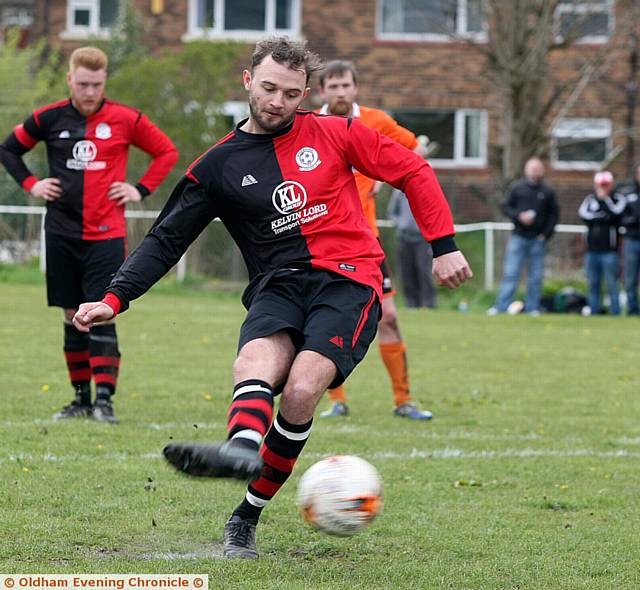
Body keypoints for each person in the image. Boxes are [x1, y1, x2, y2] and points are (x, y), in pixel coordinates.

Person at [72, 37, 472, 559]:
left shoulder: (335, 131)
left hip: (349, 279)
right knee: (253, 361)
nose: (277, 101)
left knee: (304, 390)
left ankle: (245, 516)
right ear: (247, 81)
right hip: (277, 283)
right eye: (267, 88)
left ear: (305, 92)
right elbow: (167, 239)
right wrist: (114, 298)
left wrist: (444, 246)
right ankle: (240, 451)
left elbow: (413, 170)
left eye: (289, 92)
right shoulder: (216, 166)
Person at [0, 47, 178, 423]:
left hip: (106, 236)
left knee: (102, 313)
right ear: (70, 80)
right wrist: (32, 184)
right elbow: (9, 150)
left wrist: (139, 189)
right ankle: (80, 399)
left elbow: (166, 151)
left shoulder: (126, 119)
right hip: (62, 233)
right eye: (83, 84)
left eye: (96, 84)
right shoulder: (47, 118)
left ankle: (104, 402)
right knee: (70, 315)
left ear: (104, 82)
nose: (90, 91)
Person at [317, 59, 434, 420]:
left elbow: (415, 150)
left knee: (389, 317)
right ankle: (336, 401)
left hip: (367, 238)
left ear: (355, 88)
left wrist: (385, 175)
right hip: (320, 240)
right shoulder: (311, 125)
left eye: (345, 85)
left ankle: (403, 400)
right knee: (322, 321)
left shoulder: (376, 120)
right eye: (332, 86)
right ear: (322, 91)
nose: (339, 92)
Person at [488, 157, 559, 316]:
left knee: (535, 276)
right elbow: (506, 207)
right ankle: (501, 306)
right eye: (532, 168)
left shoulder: (547, 192)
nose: (534, 171)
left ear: (542, 171)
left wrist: (545, 234)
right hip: (519, 237)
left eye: (537, 168)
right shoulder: (517, 188)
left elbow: (554, 215)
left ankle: (532, 307)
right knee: (511, 273)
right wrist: (518, 216)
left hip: (537, 240)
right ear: (526, 170)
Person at [578, 171, 626, 316]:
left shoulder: (617, 198)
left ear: (611, 184)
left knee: (612, 283)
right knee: (593, 283)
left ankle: (615, 312)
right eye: (601, 185)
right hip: (592, 250)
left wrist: (605, 201)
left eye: (606, 185)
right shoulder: (590, 199)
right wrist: (602, 217)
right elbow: (584, 215)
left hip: (609, 251)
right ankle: (594, 311)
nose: (603, 188)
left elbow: (616, 214)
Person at [388, 188, 437, 308]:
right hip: (403, 238)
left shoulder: (426, 191)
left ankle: (429, 303)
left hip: (423, 239)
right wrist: (401, 224)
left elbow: (434, 212)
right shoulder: (399, 192)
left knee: (423, 270)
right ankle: (411, 303)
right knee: (406, 272)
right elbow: (392, 212)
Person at [618, 163, 640, 315]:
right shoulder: (626, 194)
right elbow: (619, 216)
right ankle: (632, 310)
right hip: (632, 240)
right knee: (630, 278)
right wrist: (632, 220)